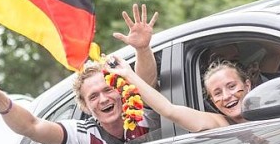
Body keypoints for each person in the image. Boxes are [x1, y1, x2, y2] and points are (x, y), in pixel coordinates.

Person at [0, 4, 159, 144]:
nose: (103, 100)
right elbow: (31, 126)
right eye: (93, 97)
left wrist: (142, 49)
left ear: (121, 91)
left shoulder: (141, 111)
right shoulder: (83, 134)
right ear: (86, 107)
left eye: (108, 90)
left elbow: (145, 84)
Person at [105, 56, 252, 132]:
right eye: (217, 93)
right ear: (212, 100)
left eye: (232, 86)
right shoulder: (219, 122)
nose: (226, 96)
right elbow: (169, 110)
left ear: (247, 85)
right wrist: (129, 75)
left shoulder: (272, 107)